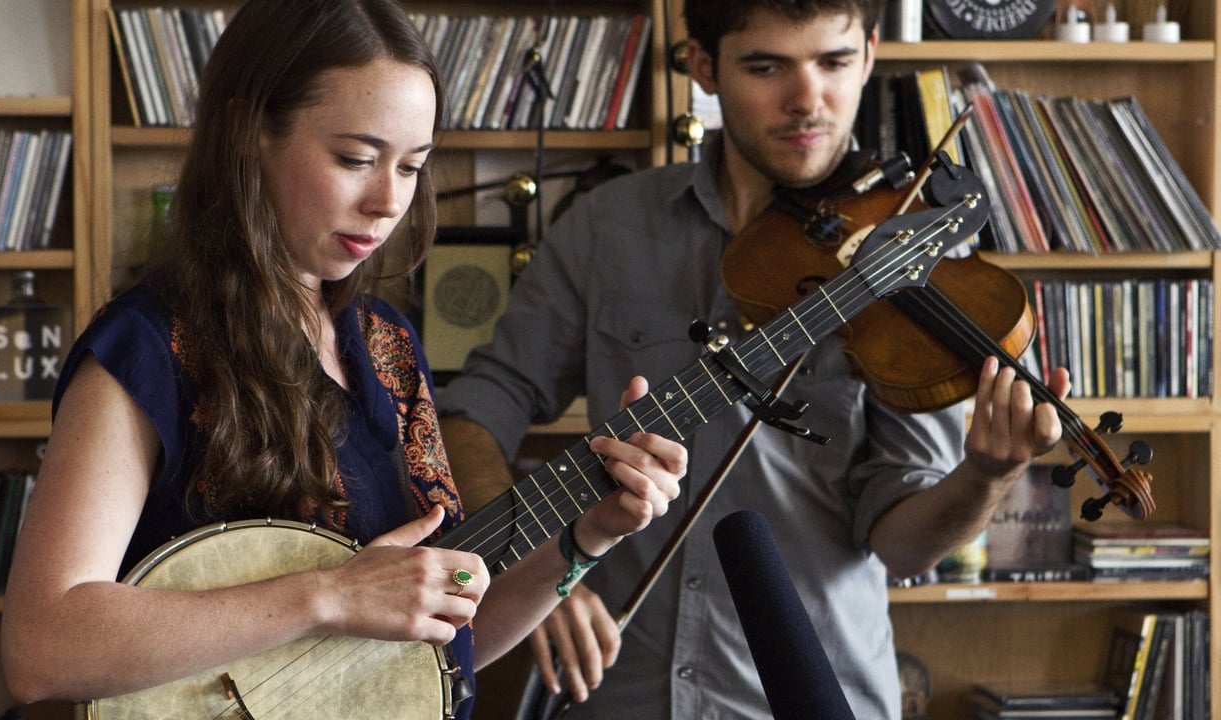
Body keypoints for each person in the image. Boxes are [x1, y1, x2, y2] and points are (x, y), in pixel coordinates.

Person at [0, 1, 686, 718]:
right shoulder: (144, 346)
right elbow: (42, 648)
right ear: (247, 131)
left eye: (412, 166)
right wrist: (329, 595)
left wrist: (587, 534)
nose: (388, 201)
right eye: (356, 158)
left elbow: (441, 640)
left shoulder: (386, 343)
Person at [436, 0, 1071, 718]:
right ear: (704, 67)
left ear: (868, 54)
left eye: (833, 62)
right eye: (767, 67)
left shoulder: (914, 263)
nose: (808, 101)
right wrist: (533, 567)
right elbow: (476, 414)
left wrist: (988, 474)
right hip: (619, 692)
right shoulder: (605, 229)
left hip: (810, 693)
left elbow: (902, 544)